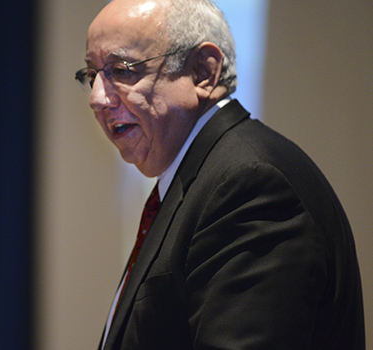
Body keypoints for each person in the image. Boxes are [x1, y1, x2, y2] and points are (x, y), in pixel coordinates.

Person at [75, 0, 365, 349]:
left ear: (203, 71)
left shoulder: (250, 186)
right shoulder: (207, 176)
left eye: (121, 70)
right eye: (92, 76)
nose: (96, 98)